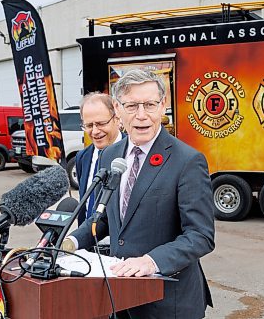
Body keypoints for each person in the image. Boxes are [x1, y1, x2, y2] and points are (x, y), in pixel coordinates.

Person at [66, 69, 215, 318]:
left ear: (163, 106)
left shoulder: (187, 161)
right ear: (118, 108)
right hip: (120, 298)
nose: (142, 115)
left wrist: (150, 261)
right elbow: (104, 219)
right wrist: (71, 241)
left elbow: (200, 235)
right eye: (132, 106)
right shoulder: (110, 155)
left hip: (167, 303)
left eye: (150, 104)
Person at [76, 92, 123, 226]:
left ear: (116, 119)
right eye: (89, 126)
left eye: (101, 124)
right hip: (87, 243)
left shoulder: (133, 152)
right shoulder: (82, 157)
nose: (95, 131)